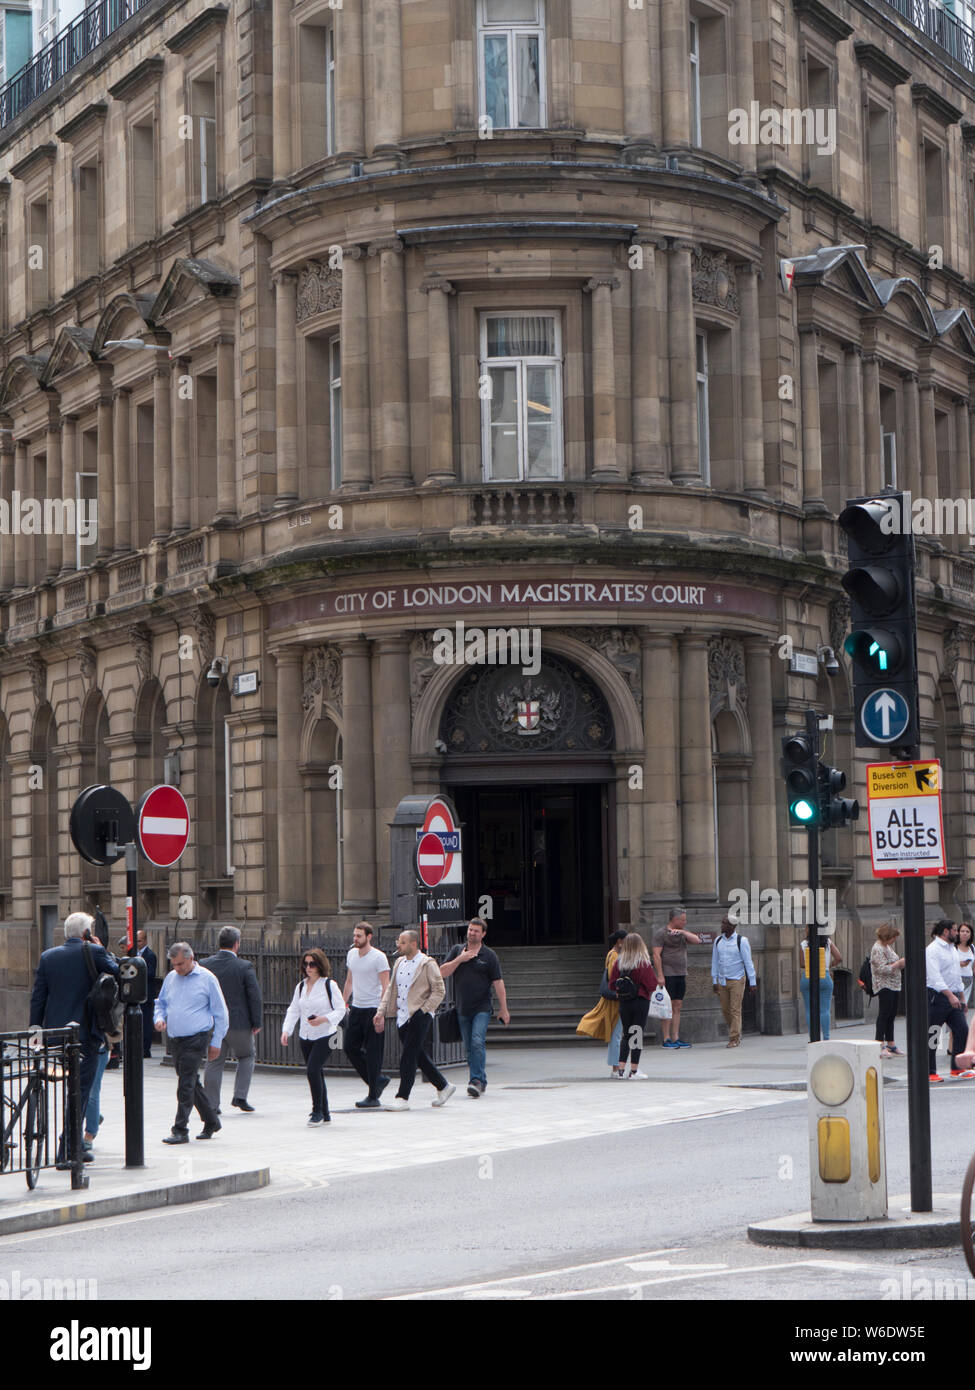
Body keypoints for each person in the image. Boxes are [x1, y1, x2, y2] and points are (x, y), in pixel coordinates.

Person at [29, 911, 118, 1167]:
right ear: (87, 933)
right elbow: (121, 974)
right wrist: (103, 950)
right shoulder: (95, 952)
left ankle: (72, 1143)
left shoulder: (48, 957)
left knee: (70, 1091)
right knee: (80, 1091)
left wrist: (36, 1035)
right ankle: (67, 1150)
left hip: (56, 1035)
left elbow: (38, 999)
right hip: (85, 1035)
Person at [154, 942, 228, 1142]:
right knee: (191, 1080)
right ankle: (211, 1120)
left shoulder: (207, 979)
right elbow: (160, 1003)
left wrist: (217, 1042)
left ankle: (180, 1129)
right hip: (175, 1038)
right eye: (174, 965)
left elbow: (221, 1013)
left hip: (197, 1037)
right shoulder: (171, 978)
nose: (177, 969)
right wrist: (159, 1018)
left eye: (180, 964)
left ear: (190, 959)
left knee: (185, 1083)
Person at [374, 930, 455, 1110]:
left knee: (408, 1055)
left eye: (402, 942)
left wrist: (425, 1010)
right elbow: (390, 989)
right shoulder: (398, 963)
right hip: (402, 1016)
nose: (398, 944)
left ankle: (402, 1097)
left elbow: (439, 990)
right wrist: (381, 1011)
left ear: (413, 944)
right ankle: (443, 1085)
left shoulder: (427, 963)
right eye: (398, 941)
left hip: (420, 1015)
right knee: (417, 1054)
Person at [440, 919, 510, 1096]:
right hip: (462, 1007)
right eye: (470, 930)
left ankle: (476, 1081)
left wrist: (504, 1008)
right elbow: (442, 972)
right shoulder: (457, 950)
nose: (472, 933)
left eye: (476, 931)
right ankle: (480, 1081)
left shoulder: (489, 956)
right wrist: (460, 959)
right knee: (470, 1047)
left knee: (477, 1041)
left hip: (482, 1007)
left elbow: (498, 982)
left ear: (483, 934)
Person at [281, 947, 347, 1124]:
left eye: (312, 964)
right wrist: (286, 1030)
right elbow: (294, 1009)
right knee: (316, 1071)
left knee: (312, 1070)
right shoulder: (301, 986)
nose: (308, 967)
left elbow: (341, 1010)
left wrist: (324, 1019)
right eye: (306, 964)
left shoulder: (329, 985)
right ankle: (325, 1113)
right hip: (306, 1035)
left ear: (320, 965)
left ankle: (316, 1111)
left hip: (326, 1035)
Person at [202, 926, 263, 1114]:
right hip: (238, 1023)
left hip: (213, 1022)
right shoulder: (244, 966)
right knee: (247, 1056)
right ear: (237, 944)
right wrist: (256, 1022)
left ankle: (212, 1105)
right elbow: (254, 996)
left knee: (214, 1062)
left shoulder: (205, 964)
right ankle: (240, 1096)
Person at [342, 922, 391, 1109]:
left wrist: (382, 1012)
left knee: (373, 1053)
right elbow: (349, 981)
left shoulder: (379, 957)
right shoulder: (351, 954)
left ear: (369, 937)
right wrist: (342, 1003)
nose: (355, 939)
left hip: (373, 1008)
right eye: (354, 935)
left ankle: (373, 1095)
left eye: (359, 936)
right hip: (357, 1007)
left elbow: (386, 986)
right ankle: (376, 1080)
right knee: (350, 1047)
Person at [926, 919, 975, 1083]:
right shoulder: (933, 950)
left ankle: (957, 1068)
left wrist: (961, 997)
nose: (957, 933)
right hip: (938, 996)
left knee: (962, 1030)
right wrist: (949, 995)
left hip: (954, 995)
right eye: (954, 930)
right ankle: (929, 1071)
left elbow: (955, 974)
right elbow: (935, 977)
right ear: (945, 932)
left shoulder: (952, 949)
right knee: (934, 1033)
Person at [575, 929, 626, 1071]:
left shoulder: (613, 954)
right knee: (616, 1033)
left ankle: (615, 1067)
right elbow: (613, 977)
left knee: (616, 1033)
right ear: (620, 941)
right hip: (615, 1000)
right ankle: (616, 1068)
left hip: (613, 999)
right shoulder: (615, 955)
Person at [608, 932, 657, 1079]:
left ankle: (621, 1070)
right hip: (640, 1001)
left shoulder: (619, 962)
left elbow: (611, 984)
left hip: (624, 1002)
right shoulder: (643, 963)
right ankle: (634, 1071)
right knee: (637, 1034)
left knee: (626, 1035)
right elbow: (651, 984)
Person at [652, 907, 700, 1049]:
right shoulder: (661, 933)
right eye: (683, 920)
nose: (685, 922)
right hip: (668, 974)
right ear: (675, 919)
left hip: (681, 973)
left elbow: (697, 940)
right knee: (667, 1006)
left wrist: (683, 932)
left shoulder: (682, 933)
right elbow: (656, 955)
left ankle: (675, 1037)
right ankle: (666, 1038)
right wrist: (660, 975)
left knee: (677, 1005)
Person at [711, 913, 757, 1048]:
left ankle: (734, 1037)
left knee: (735, 1009)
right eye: (722, 922)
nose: (722, 925)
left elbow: (748, 962)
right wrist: (714, 980)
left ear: (732, 926)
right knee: (725, 1010)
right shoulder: (718, 941)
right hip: (722, 980)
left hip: (737, 979)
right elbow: (714, 961)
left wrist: (752, 982)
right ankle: (736, 1031)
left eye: (724, 923)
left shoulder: (741, 941)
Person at [870, 923, 905, 1058]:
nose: (894, 941)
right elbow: (881, 969)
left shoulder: (887, 947)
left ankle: (891, 1043)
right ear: (887, 937)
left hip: (894, 984)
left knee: (891, 1015)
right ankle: (880, 1043)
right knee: (884, 1014)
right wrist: (898, 964)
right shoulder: (877, 949)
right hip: (884, 985)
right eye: (893, 938)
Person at [798, 934, 842, 1040]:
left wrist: (812, 964)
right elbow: (839, 958)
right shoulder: (828, 942)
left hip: (808, 975)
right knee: (825, 1009)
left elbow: (802, 964)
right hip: (824, 974)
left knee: (809, 1010)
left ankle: (812, 1037)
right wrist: (828, 965)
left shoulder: (804, 944)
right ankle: (826, 1037)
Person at [136, 930, 158, 1059]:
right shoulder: (133, 952)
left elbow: (150, 973)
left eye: (139, 941)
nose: (137, 943)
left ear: (145, 941)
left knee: (146, 1022)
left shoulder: (149, 955)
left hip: (146, 994)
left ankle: (145, 1048)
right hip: (137, 993)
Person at [957, 922, 975, 1009]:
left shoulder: (972, 947)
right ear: (958, 933)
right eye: (962, 931)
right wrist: (959, 964)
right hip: (956, 980)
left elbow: (973, 965)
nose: (965, 933)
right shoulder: (953, 947)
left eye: (967, 931)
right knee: (957, 1007)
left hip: (969, 980)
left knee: (964, 1007)